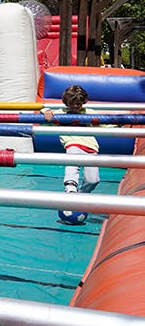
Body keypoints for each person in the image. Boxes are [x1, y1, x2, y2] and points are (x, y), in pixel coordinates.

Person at [41, 84, 100, 225]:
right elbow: (45, 116)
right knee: (72, 160)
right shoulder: (61, 112)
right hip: (72, 143)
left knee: (93, 180)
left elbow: (105, 123)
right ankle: (70, 188)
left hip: (91, 147)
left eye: (79, 103)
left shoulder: (88, 112)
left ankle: (80, 198)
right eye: (72, 103)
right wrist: (44, 111)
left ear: (84, 102)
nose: (76, 106)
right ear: (67, 102)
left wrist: (118, 124)